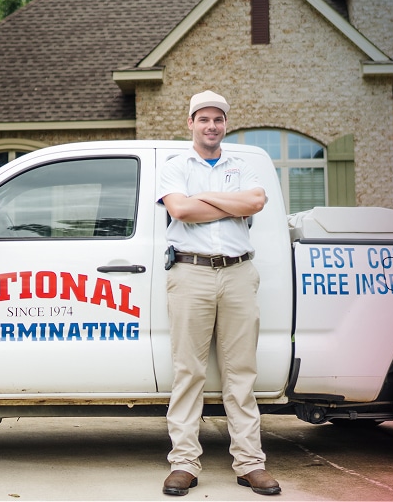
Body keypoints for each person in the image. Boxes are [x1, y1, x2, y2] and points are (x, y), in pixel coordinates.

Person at [157, 90, 281, 496]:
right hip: (190, 273)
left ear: (225, 125)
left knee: (240, 374)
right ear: (190, 123)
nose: (211, 126)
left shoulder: (242, 166)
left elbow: (257, 201)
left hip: (238, 274)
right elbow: (181, 211)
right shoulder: (174, 167)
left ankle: (250, 464)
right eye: (204, 119)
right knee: (188, 372)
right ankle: (184, 464)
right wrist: (230, 205)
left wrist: (203, 196)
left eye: (218, 119)